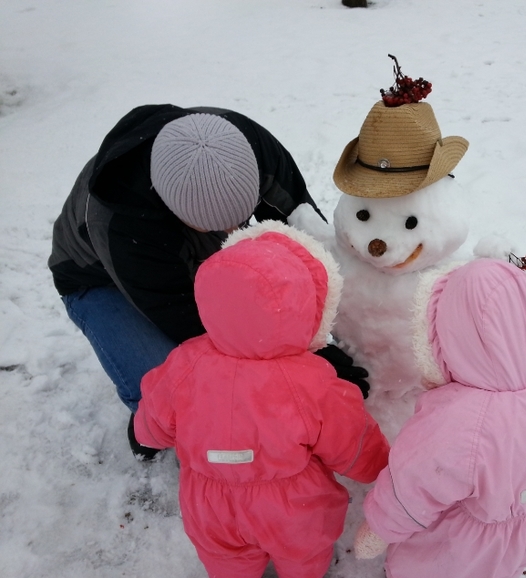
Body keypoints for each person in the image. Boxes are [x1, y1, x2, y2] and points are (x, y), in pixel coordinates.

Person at [47, 104, 369, 460]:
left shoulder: (249, 147)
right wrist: (303, 358)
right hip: (98, 282)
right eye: (216, 226)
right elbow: (193, 326)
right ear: (177, 212)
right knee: (180, 384)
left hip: (182, 253)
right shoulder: (125, 226)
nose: (233, 232)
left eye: (241, 217)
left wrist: (327, 326)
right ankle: (147, 416)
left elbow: (307, 243)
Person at [133, 221, 390, 578]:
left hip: (210, 505)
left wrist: (144, 433)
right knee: (303, 556)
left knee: (226, 560)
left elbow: (154, 419)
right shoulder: (311, 379)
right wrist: (378, 465)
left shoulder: (184, 363)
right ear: (303, 308)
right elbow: (349, 436)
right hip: (293, 507)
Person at [353, 258, 526, 578]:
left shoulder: (457, 421)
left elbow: (413, 487)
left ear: (452, 338)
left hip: (460, 552)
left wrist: (381, 528)